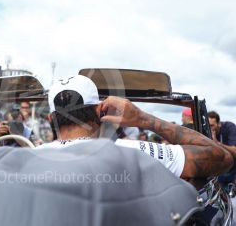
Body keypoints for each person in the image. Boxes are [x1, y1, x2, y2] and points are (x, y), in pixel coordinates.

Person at [39, 75, 233, 179]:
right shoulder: (135, 153)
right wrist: (143, 118)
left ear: (50, 118)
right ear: (100, 111)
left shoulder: (26, 158)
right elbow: (221, 157)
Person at [208, 111, 236, 186]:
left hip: (233, 170)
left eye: (211, 126)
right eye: (207, 126)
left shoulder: (230, 127)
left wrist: (217, 143)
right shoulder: (205, 132)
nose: (209, 129)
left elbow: (234, 150)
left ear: (218, 124)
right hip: (218, 172)